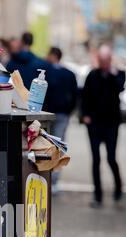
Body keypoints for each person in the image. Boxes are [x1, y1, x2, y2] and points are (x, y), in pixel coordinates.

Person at [81, 45, 125, 207]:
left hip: (111, 124)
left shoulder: (119, 74)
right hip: (94, 124)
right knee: (96, 160)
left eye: (106, 60)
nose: (103, 63)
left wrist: (112, 73)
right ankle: (97, 195)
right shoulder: (92, 75)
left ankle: (118, 188)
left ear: (110, 59)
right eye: (101, 60)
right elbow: (84, 96)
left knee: (111, 158)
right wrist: (84, 115)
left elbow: (120, 88)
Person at [45, 47, 78, 193]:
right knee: (59, 145)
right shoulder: (69, 74)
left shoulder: (46, 72)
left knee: (46, 145)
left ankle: (47, 176)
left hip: (47, 114)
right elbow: (75, 95)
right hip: (63, 114)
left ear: (52, 55)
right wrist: (69, 111)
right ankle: (55, 181)